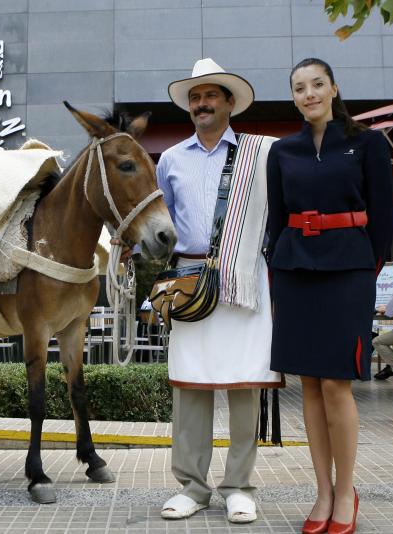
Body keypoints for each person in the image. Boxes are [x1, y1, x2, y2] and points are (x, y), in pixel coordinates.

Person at [267, 58, 393, 534]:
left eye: (317, 84)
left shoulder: (368, 143)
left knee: (337, 384)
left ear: (334, 89)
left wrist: (366, 270)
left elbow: (382, 218)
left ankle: (346, 492)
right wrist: (276, 271)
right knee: (310, 385)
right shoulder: (282, 151)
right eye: (300, 88)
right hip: (295, 271)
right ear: (294, 97)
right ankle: (321, 491)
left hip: (349, 271)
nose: (310, 94)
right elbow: (276, 218)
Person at [156, 58, 283, 523]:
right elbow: (162, 227)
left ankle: (239, 486)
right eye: (195, 97)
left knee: (244, 384)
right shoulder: (170, 160)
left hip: (246, 279)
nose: (201, 103)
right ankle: (192, 487)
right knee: (190, 387)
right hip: (190, 283)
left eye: (210, 95)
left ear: (230, 103)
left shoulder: (263, 153)